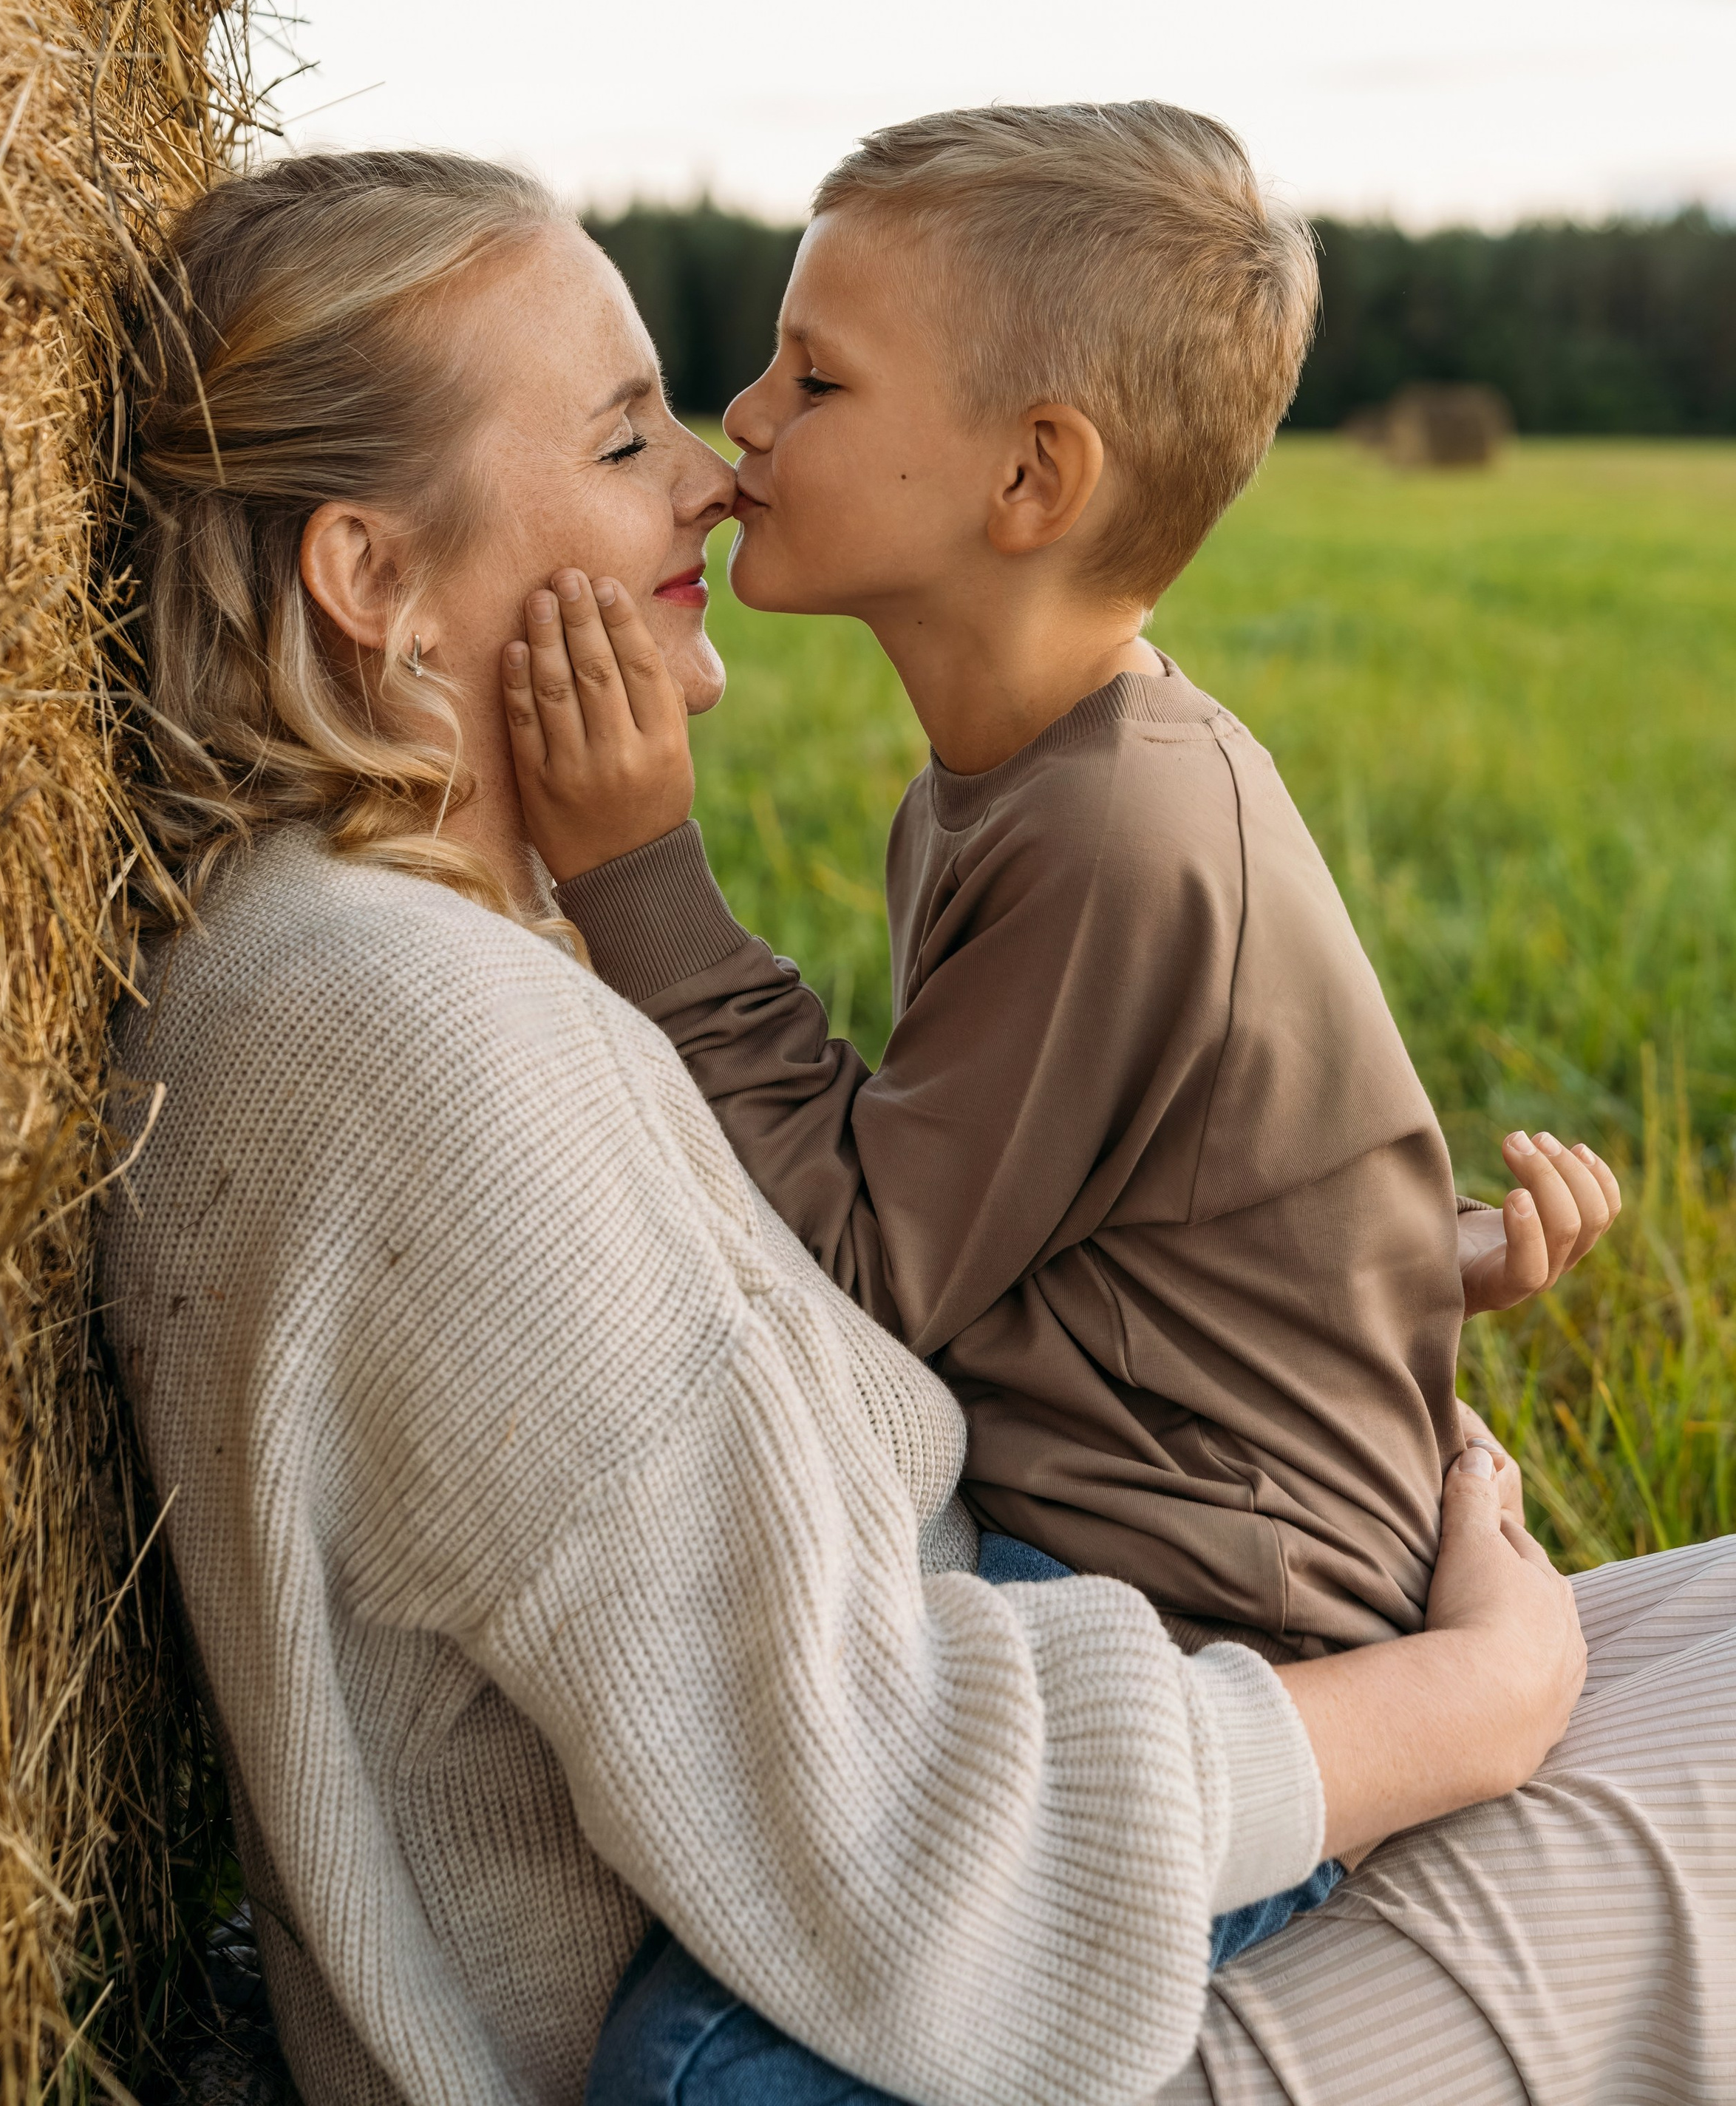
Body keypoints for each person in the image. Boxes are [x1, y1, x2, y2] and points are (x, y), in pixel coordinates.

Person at [103, 147, 1735, 2106]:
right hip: (909, 1991)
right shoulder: (406, 1032)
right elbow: (887, 1828)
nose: (717, 464)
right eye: (627, 439)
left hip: (1046, 1776)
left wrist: (1359, 1313)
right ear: (371, 577)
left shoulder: (465, 958)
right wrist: (1467, 1701)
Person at [505, 102, 1619, 1664]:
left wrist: (638, 881)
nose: (742, 416)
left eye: (815, 378)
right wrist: (1416, 1257)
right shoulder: (1022, 782)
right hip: (1117, 1543)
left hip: (1208, 1631)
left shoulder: (1111, 830)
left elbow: (874, 1272)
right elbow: (1155, 1179)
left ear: (1030, 478)